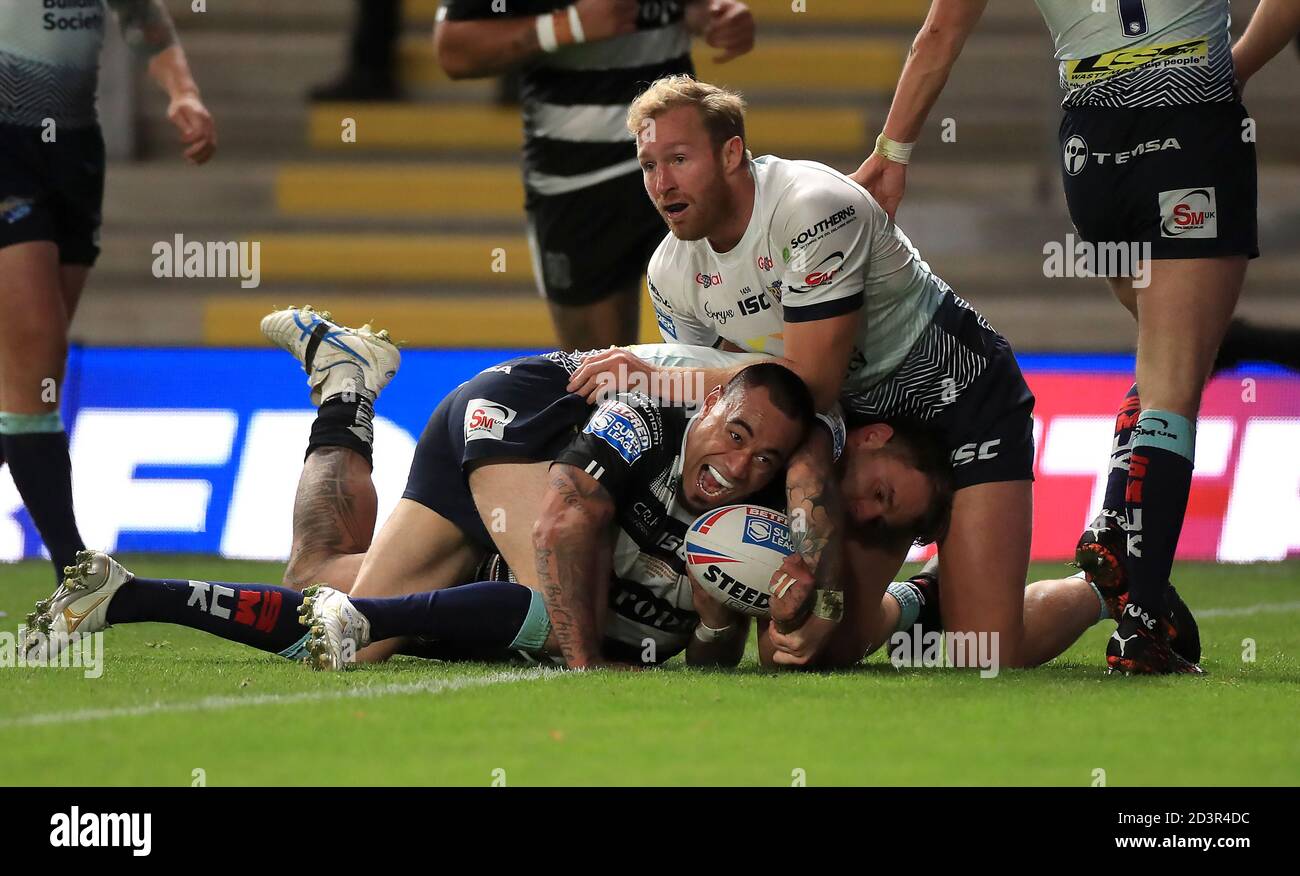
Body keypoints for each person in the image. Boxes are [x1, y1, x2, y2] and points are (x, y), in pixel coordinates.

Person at [566, 74, 1199, 671]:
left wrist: (664, 373)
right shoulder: (669, 272)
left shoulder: (812, 209)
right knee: (803, 649)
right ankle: (926, 597)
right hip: (854, 419)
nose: (661, 181)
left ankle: (1102, 583)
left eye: (679, 159)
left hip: (961, 399)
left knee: (989, 650)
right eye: (649, 165)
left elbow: (807, 384)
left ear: (732, 154)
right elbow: (746, 405)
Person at [29, 309, 916, 671]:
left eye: (893, 514)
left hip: (526, 434)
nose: (742, 464)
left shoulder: (790, 451)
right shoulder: (661, 413)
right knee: (552, 592)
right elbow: (571, 513)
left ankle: (342, 393)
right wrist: (585, 670)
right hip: (519, 411)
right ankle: (409, 614)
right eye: (735, 437)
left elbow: (747, 606)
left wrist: (752, 608)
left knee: (321, 604)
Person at [849, 0, 1300, 674]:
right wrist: (1233, 68)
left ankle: (1121, 538)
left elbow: (940, 29)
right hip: (1191, 118)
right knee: (1175, 383)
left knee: (1169, 351)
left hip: (1092, 148)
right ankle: (1140, 622)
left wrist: (893, 151)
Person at [0, 0, 216, 583]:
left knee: (21, 377)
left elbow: (144, 17)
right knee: (37, 362)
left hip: (73, 154)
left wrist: (183, 92)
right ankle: (79, 580)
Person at [433, 0, 755, 350]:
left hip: (680, 154)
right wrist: (566, 25)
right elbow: (454, 49)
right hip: (577, 179)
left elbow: (680, 10)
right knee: (598, 377)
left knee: (738, 356)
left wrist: (710, 16)